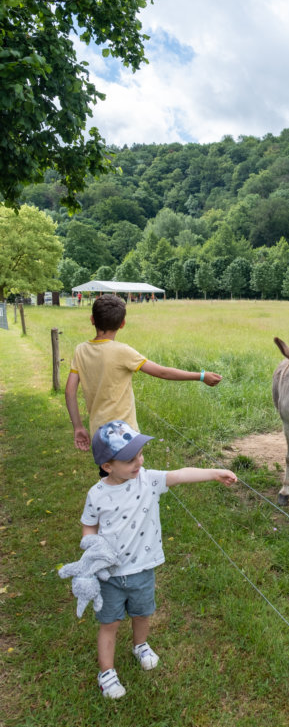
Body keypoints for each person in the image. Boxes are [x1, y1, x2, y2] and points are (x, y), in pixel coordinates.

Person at [79, 419, 237, 699]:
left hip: (141, 569)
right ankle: (106, 672)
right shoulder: (97, 495)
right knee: (109, 623)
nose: (139, 461)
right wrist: (90, 547)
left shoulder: (148, 480)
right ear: (107, 466)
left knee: (142, 612)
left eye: (140, 454)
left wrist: (214, 472)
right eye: (130, 459)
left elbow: (180, 475)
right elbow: (89, 524)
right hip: (109, 575)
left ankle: (140, 645)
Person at [65, 293, 223, 451]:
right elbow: (163, 373)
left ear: (92, 319)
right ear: (122, 324)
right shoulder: (123, 351)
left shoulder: (81, 350)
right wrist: (201, 376)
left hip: (98, 434)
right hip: (125, 435)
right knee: (132, 474)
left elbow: (70, 392)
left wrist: (78, 427)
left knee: (109, 474)